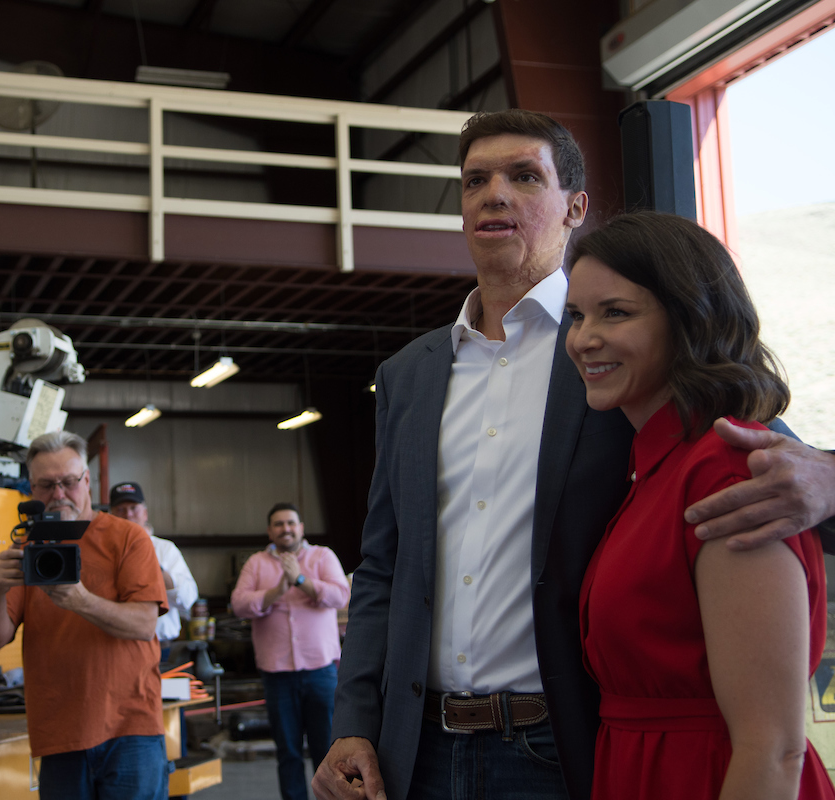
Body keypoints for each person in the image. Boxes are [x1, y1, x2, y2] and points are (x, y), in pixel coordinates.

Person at [312, 109, 835, 800]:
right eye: (475, 181)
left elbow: (759, 457)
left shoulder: (622, 356)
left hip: (561, 745)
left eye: (524, 176)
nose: (494, 193)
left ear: (574, 208)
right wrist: (355, 720)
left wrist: (831, 475)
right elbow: (382, 566)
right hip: (419, 750)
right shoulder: (409, 374)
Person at [564, 211, 834, 799]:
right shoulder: (655, 471)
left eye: (616, 312)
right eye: (577, 315)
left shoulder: (725, 470)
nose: (584, 338)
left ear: (689, 322)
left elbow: (774, 749)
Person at [0, 430, 170, 800]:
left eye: (68, 482)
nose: (59, 494)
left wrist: (81, 601)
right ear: (31, 489)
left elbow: (144, 625)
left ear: (87, 482)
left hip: (130, 729)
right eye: (46, 485)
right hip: (59, 732)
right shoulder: (26, 549)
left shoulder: (128, 539)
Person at [232, 502, 351, 800]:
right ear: (269, 530)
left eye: (291, 523)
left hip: (321, 672)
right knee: (288, 753)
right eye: (279, 524)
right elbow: (239, 604)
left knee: (329, 753)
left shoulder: (322, 556)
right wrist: (277, 591)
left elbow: (341, 595)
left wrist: (300, 579)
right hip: (277, 674)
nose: (285, 528)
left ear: (301, 528)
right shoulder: (256, 563)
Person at [108, 481, 199, 661]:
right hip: (113, 648)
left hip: (160, 648)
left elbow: (189, 599)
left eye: (134, 508)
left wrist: (153, 566)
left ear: (145, 513)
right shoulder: (103, 552)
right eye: (121, 509)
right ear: (111, 515)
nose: (128, 515)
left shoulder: (165, 550)